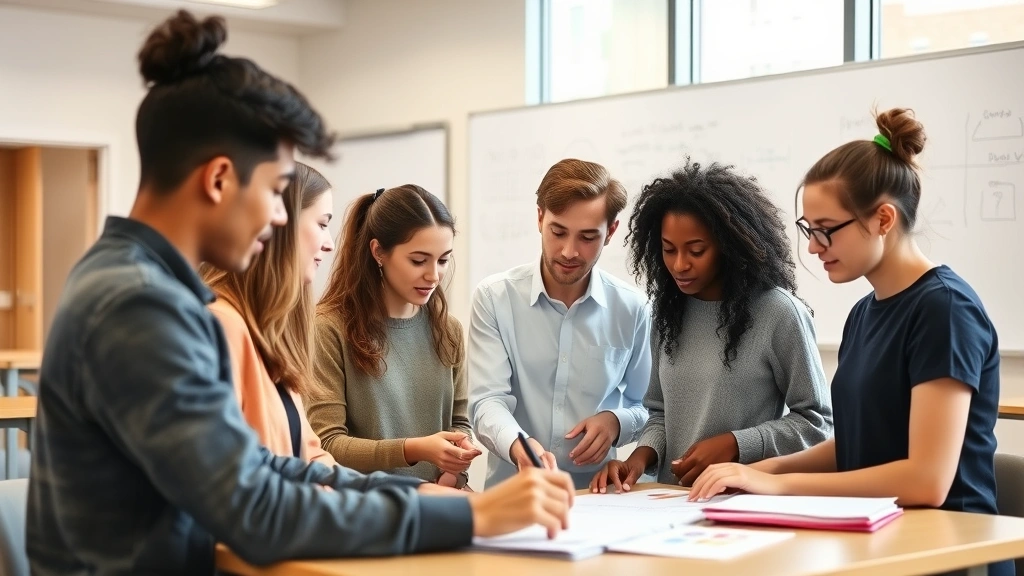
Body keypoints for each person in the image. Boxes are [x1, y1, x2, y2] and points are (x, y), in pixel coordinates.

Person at [27, 11, 574, 575]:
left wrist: (414, 497)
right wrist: (471, 519)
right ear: (218, 180)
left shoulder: (147, 286)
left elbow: (264, 470)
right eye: (273, 191)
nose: (277, 219)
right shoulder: (137, 305)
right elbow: (257, 511)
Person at [688, 108, 1011, 576]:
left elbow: (927, 481)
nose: (814, 246)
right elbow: (861, 445)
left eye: (825, 229)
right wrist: (764, 472)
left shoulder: (945, 310)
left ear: (883, 218)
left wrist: (781, 486)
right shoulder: (865, 312)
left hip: (949, 553)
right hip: (883, 545)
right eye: (808, 229)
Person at [589, 159, 833, 494]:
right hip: (670, 503)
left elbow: (817, 423)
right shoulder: (668, 312)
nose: (679, 265)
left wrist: (736, 444)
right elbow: (660, 413)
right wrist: (639, 460)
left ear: (728, 246)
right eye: (668, 250)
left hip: (743, 504)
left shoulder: (778, 313)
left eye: (696, 250)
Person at [469, 158, 653, 489]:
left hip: (601, 496)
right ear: (540, 217)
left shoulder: (633, 308)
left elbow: (648, 407)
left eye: (587, 237)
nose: (569, 251)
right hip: (516, 495)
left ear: (610, 232)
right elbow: (487, 402)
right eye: (558, 232)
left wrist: (616, 421)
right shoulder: (494, 298)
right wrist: (520, 448)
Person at [306, 184, 481, 489]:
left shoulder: (447, 329)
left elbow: (459, 422)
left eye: (442, 260)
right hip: (369, 508)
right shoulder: (329, 328)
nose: (434, 276)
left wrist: (453, 474)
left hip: (441, 497)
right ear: (378, 252)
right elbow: (328, 444)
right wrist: (414, 449)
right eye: (418, 260)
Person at [200, 162, 336, 464]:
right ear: (280, 224)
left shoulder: (270, 328)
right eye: (323, 224)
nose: (330, 244)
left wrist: (417, 498)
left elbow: (311, 455)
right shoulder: (222, 325)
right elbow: (241, 476)